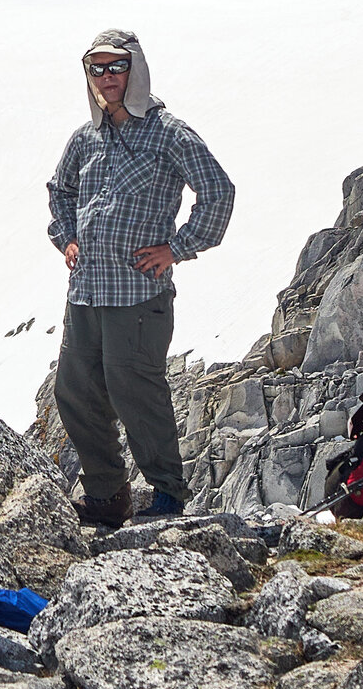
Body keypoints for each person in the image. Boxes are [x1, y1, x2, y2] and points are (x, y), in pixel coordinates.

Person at [46, 28, 234, 527]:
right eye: (96, 69)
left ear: (136, 69)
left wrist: (177, 248)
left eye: (115, 67)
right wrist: (67, 237)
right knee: (76, 391)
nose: (106, 78)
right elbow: (59, 191)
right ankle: (108, 496)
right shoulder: (86, 138)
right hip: (85, 292)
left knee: (136, 389)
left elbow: (218, 190)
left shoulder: (169, 132)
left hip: (137, 295)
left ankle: (168, 493)